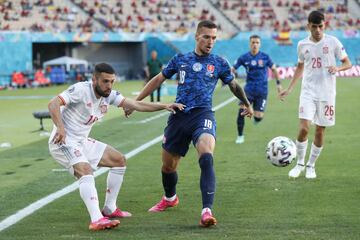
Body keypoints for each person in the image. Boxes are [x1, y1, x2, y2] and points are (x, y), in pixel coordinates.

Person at [125, 20, 253, 227]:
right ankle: (170, 198)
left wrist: (247, 103)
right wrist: (135, 101)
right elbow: (158, 80)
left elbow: (234, 85)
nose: (210, 42)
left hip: (203, 115)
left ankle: (206, 210)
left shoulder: (219, 62)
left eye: (214, 38)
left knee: (206, 154)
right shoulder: (181, 59)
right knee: (168, 167)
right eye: (206, 37)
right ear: (197, 37)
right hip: (178, 114)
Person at [48, 63, 184, 231]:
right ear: (94, 79)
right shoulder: (81, 90)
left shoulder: (109, 95)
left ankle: (110, 208)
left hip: (81, 141)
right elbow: (53, 103)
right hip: (63, 141)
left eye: (112, 81)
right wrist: (60, 127)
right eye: (105, 81)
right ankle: (96, 219)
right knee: (85, 170)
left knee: (119, 160)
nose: (109, 86)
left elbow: (135, 104)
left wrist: (164, 106)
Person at [279, 10, 352, 179]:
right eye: (314, 27)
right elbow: (300, 67)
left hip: (327, 94)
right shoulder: (302, 45)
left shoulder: (333, 42)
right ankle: (299, 164)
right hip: (308, 92)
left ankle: (311, 166)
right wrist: (290, 88)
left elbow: (347, 63)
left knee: (319, 131)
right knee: (304, 129)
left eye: (320, 26)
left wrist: (338, 68)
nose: (318, 30)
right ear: (308, 26)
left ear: (324, 25)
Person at [232, 35, 282, 144]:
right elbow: (233, 69)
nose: (255, 44)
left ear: (260, 44)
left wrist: (279, 84)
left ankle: (256, 118)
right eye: (253, 42)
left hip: (262, 90)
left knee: (259, 116)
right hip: (248, 89)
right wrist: (230, 77)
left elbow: (274, 69)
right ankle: (240, 136)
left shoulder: (265, 57)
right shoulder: (244, 57)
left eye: (257, 42)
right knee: (241, 110)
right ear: (250, 44)